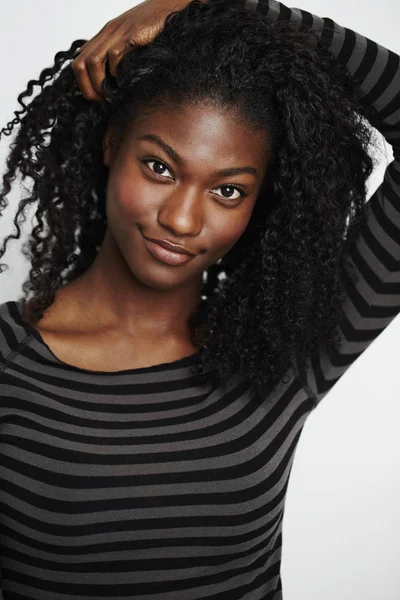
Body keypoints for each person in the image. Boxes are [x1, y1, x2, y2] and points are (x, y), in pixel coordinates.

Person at [0, 0, 398, 598]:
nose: (183, 219)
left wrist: (211, 6)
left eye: (229, 189)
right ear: (111, 145)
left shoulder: (282, 345)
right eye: (160, 167)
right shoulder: (8, 359)